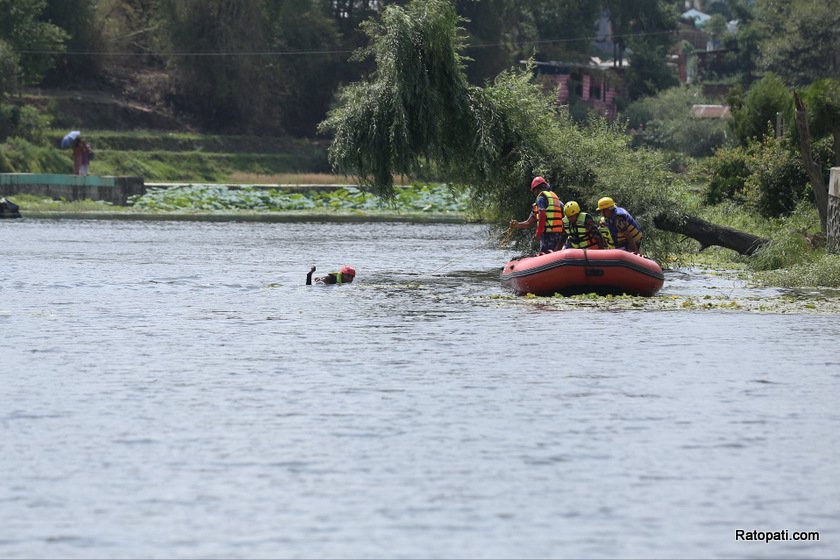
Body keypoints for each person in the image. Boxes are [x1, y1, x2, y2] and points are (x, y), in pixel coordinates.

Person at [509, 176, 565, 254]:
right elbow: (528, 223)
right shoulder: (557, 200)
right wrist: (517, 225)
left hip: (547, 235)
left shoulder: (541, 199)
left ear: (536, 190)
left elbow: (542, 215)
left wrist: (538, 234)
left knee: (546, 255)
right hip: (558, 234)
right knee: (553, 255)